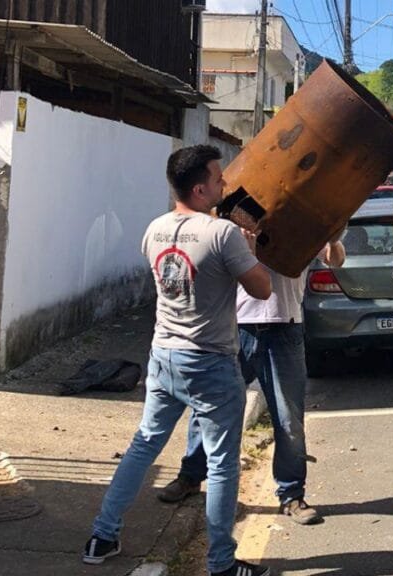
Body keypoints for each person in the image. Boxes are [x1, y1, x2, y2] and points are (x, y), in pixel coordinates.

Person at [82, 145, 274, 576]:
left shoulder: (154, 230)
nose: (226, 184)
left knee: (143, 445)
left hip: (164, 356)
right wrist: (250, 250)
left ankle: (103, 535)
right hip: (210, 360)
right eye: (219, 178)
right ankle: (221, 564)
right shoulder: (222, 234)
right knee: (223, 463)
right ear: (201, 187)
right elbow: (261, 289)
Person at [159, 235, 345, 527]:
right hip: (232, 325)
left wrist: (334, 238)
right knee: (207, 407)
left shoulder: (300, 223)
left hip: (283, 327)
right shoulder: (235, 225)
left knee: (288, 417)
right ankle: (191, 476)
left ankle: (291, 495)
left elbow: (335, 259)